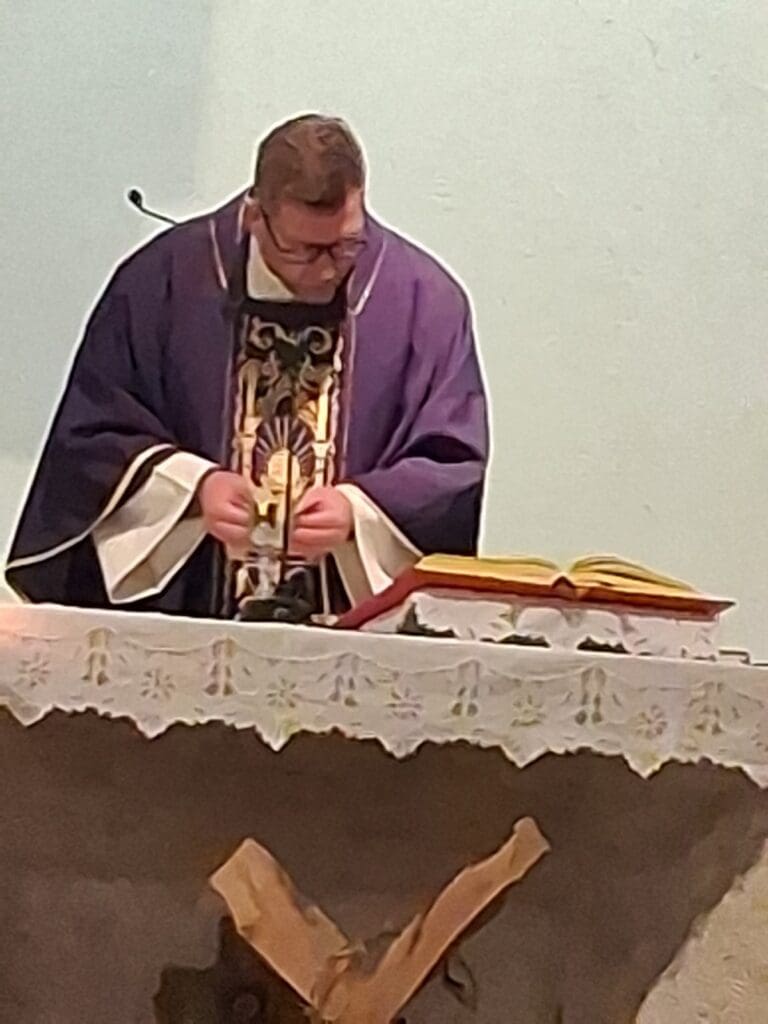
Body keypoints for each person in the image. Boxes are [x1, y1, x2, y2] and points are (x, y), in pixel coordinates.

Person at [6, 114, 489, 620]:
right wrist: (192, 490)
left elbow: (452, 464)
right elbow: (90, 439)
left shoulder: (424, 304)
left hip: (352, 632)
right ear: (254, 217)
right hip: (186, 621)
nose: (328, 268)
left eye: (347, 243)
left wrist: (359, 511)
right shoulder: (161, 284)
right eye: (304, 250)